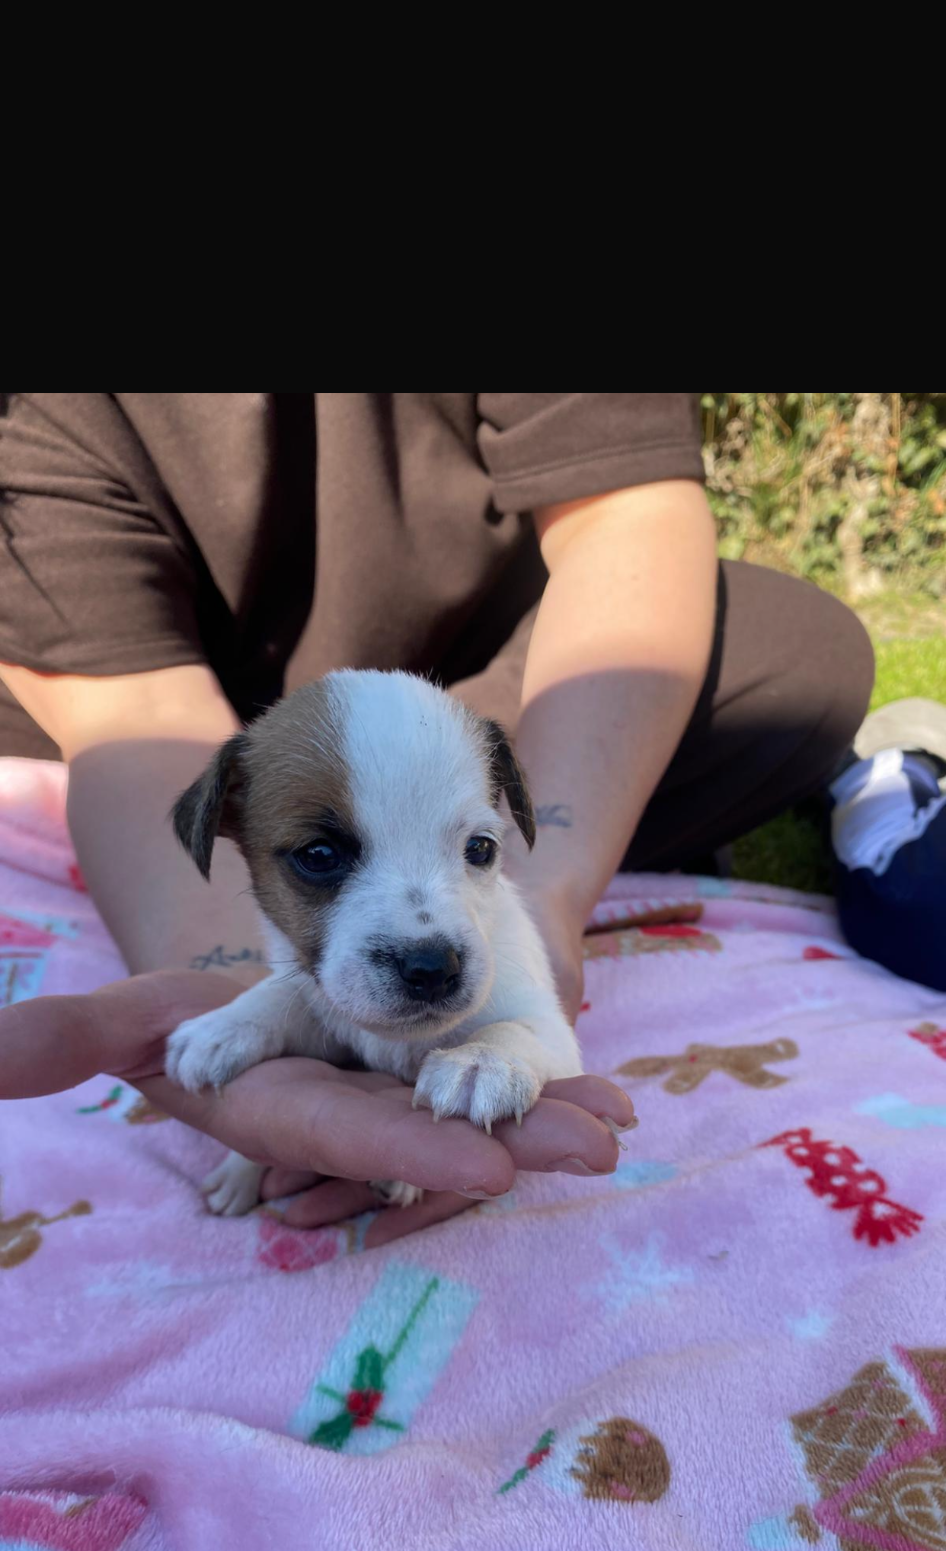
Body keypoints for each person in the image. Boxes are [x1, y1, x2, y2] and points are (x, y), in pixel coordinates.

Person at [0, 393, 874, 1236]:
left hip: (500, 667)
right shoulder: (52, 417)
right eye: (322, 858)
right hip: (246, 706)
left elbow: (541, 1035)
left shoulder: (487, 912)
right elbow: (302, 999)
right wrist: (245, 1011)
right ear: (220, 830)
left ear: (507, 819)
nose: (428, 942)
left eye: (477, 850)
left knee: (796, 646)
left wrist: (513, 1043)